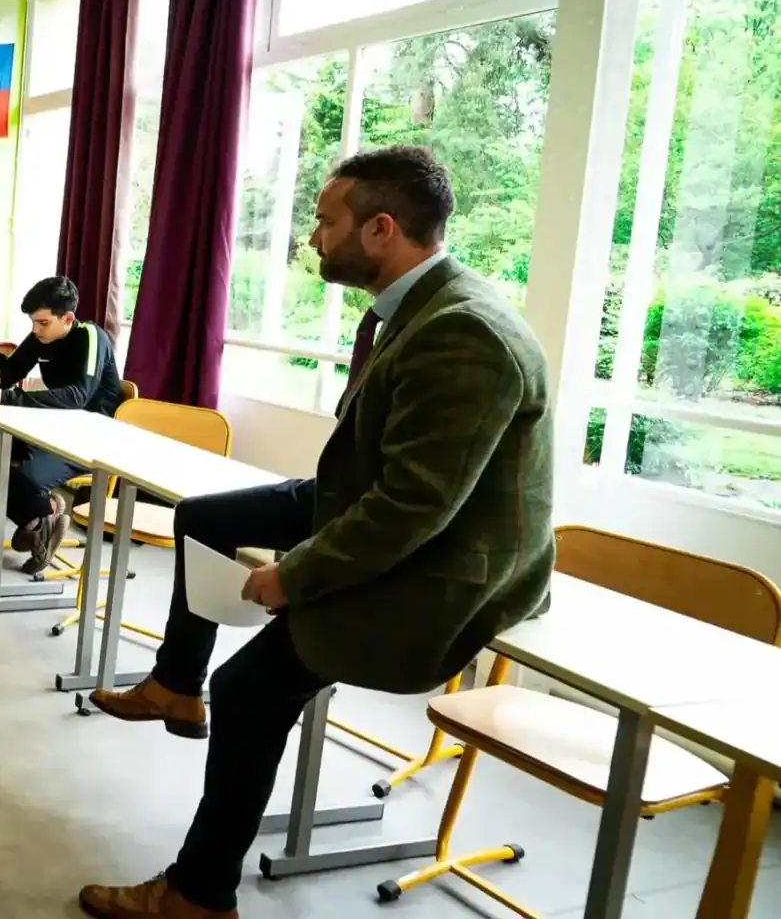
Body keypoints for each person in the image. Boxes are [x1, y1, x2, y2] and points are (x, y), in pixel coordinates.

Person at [76, 146, 554, 919]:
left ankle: (196, 895)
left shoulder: (461, 333)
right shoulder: (421, 308)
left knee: (250, 689)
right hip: (374, 504)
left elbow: (412, 508)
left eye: (326, 221)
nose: (311, 236)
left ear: (381, 229)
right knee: (204, 516)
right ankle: (173, 688)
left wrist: (294, 574)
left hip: (446, 567)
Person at [0, 276, 121, 575]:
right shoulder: (41, 336)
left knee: (28, 475)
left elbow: (78, 395)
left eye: (43, 323)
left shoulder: (91, 337)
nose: (36, 330)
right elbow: (14, 367)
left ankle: (40, 520)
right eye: (33, 323)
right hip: (50, 427)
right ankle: (40, 519)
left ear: (67, 319)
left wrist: (8, 396)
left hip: (89, 438)